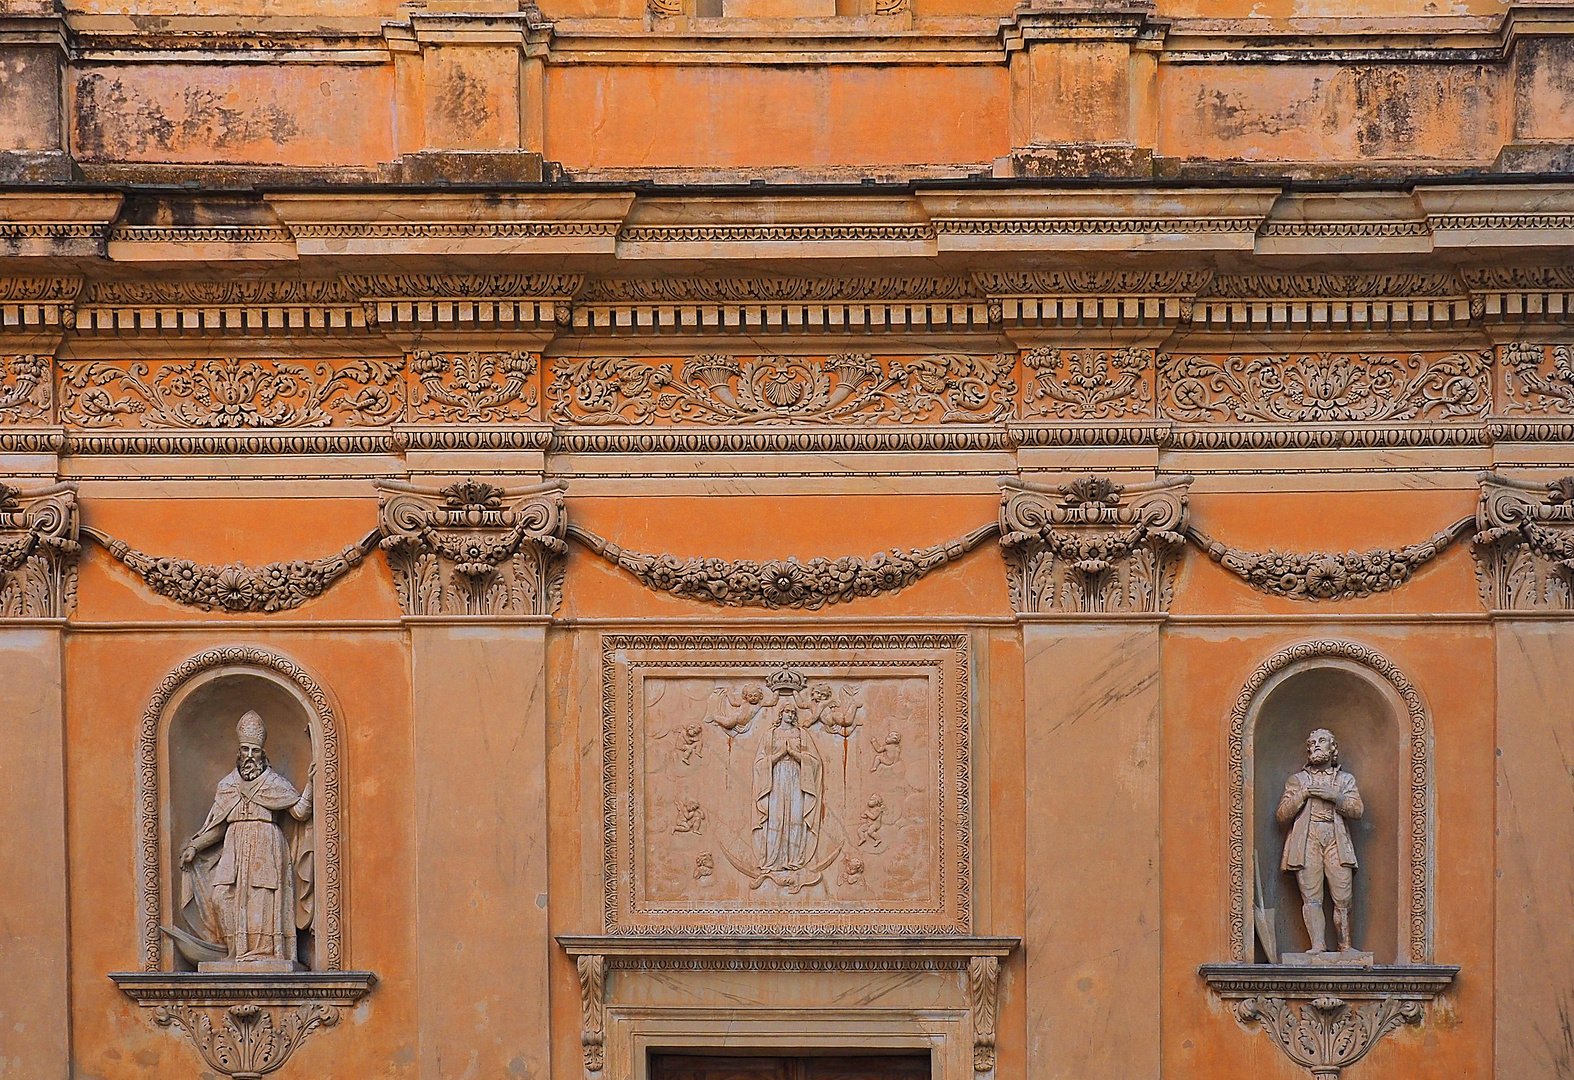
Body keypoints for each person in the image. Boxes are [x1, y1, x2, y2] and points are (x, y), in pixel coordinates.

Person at [180, 711, 314, 968]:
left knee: (262, 898)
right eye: (245, 750)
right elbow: (217, 827)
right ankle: (234, 951)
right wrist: (195, 847)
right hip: (234, 846)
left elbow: (299, 812)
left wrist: (311, 782)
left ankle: (266, 954)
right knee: (222, 895)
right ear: (238, 753)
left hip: (266, 844)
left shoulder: (275, 783)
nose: (249, 756)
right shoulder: (227, 785)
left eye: (254, 750)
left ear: (263, 755)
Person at [1277, 728, 1364, 954]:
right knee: (1311, 897)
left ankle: (1345, 946)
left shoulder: (1345, 780)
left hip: (1336, 838)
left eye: (1322, 741)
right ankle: (1317, 945)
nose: (1315, 745)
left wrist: (1334, 796)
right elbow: (1282, 814)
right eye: (1312, 742)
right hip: (1307, 839)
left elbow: (1357, 810)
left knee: (1343, 896)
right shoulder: (1298, 780)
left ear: (1332, 748)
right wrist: (1303, 794)